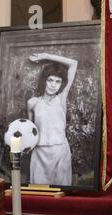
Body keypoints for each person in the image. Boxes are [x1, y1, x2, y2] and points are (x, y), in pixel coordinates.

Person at [27, 53, 78, 186]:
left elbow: (73, 63)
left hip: (60, 152)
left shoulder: (61, 98)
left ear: (61, 84)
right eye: (50, 80)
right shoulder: (32, 103)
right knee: (39, 195)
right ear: (44, 80)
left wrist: (46, 56)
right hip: (39, 153)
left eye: (57, 81)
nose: (53, 85)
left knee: (62, 194)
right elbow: (29, 131)